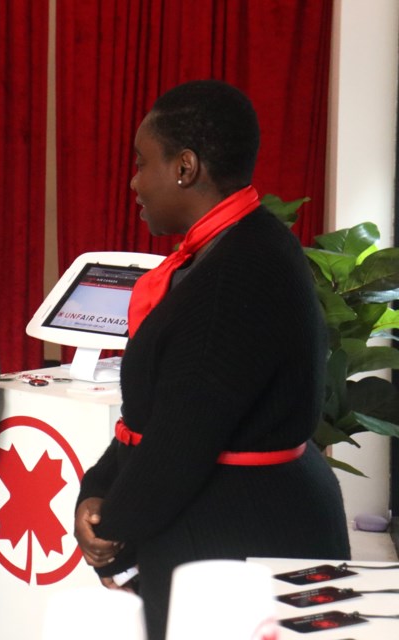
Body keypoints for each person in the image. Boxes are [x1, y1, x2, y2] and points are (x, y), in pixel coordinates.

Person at [73, 80, 350, 640]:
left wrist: (111, 533)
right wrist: (96, 487)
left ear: (185, 167)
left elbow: (180, 442)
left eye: (141, 162)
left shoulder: (236, 275)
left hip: (240, 547)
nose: (134, 180)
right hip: (233, 531)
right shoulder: (243, 245)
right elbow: (150, 414)